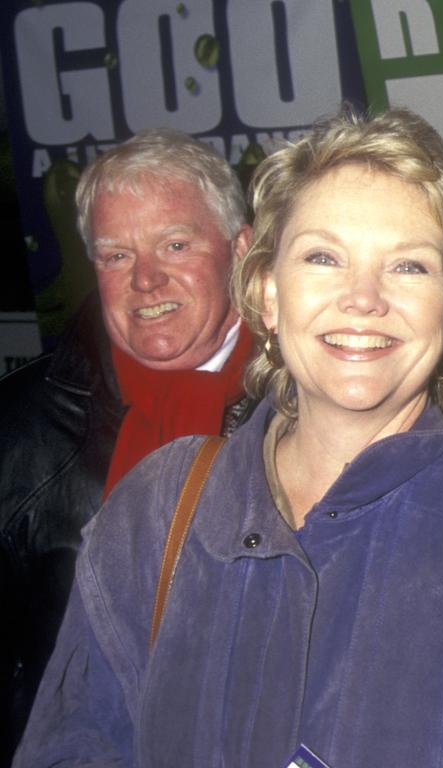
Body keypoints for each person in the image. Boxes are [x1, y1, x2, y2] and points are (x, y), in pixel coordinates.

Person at [15, 109, 443, 767]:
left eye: (408, 266)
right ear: (269, 293)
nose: (363, 297)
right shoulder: (153, 513)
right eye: (324, 256)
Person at [0, 128, 253, 763]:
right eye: (116, 255)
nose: (145, 279)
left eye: (175, 244)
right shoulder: (18, 430)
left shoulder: (326, 405)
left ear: (241, 249)